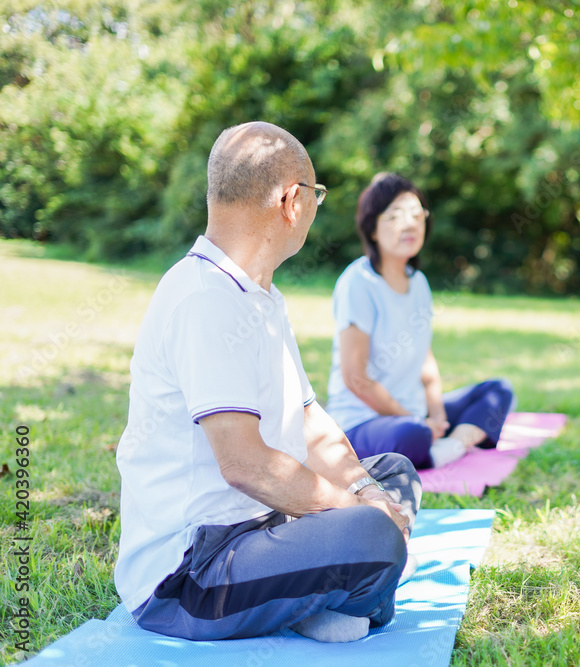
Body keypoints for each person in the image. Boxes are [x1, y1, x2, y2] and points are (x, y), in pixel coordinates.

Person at [115, 122, 420, 644]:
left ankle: (315, 590)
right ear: (292, 201)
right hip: (194, 573)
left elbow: (309, 421)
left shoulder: (259, 294)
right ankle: (333, 586)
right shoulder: (204, 297)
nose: (316, 207)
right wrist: (360, 513)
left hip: (263, 526)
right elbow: (245, 464)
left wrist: (367, 490)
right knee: (372, 532)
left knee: (394, 472)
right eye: (317, 194)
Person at [325, 172, 515, 470]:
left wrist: (437, 415)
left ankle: (446, 445)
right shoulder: (358, 282)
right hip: (364, 421)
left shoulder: (419, 283)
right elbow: (356, 379)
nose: (410, 224)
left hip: (415, 414)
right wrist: (415, 420)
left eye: (417, 215)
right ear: (372, 228)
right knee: (411, 435)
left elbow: (425, 363)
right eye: (395, 216)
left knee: (498, 391)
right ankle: (439, 446)